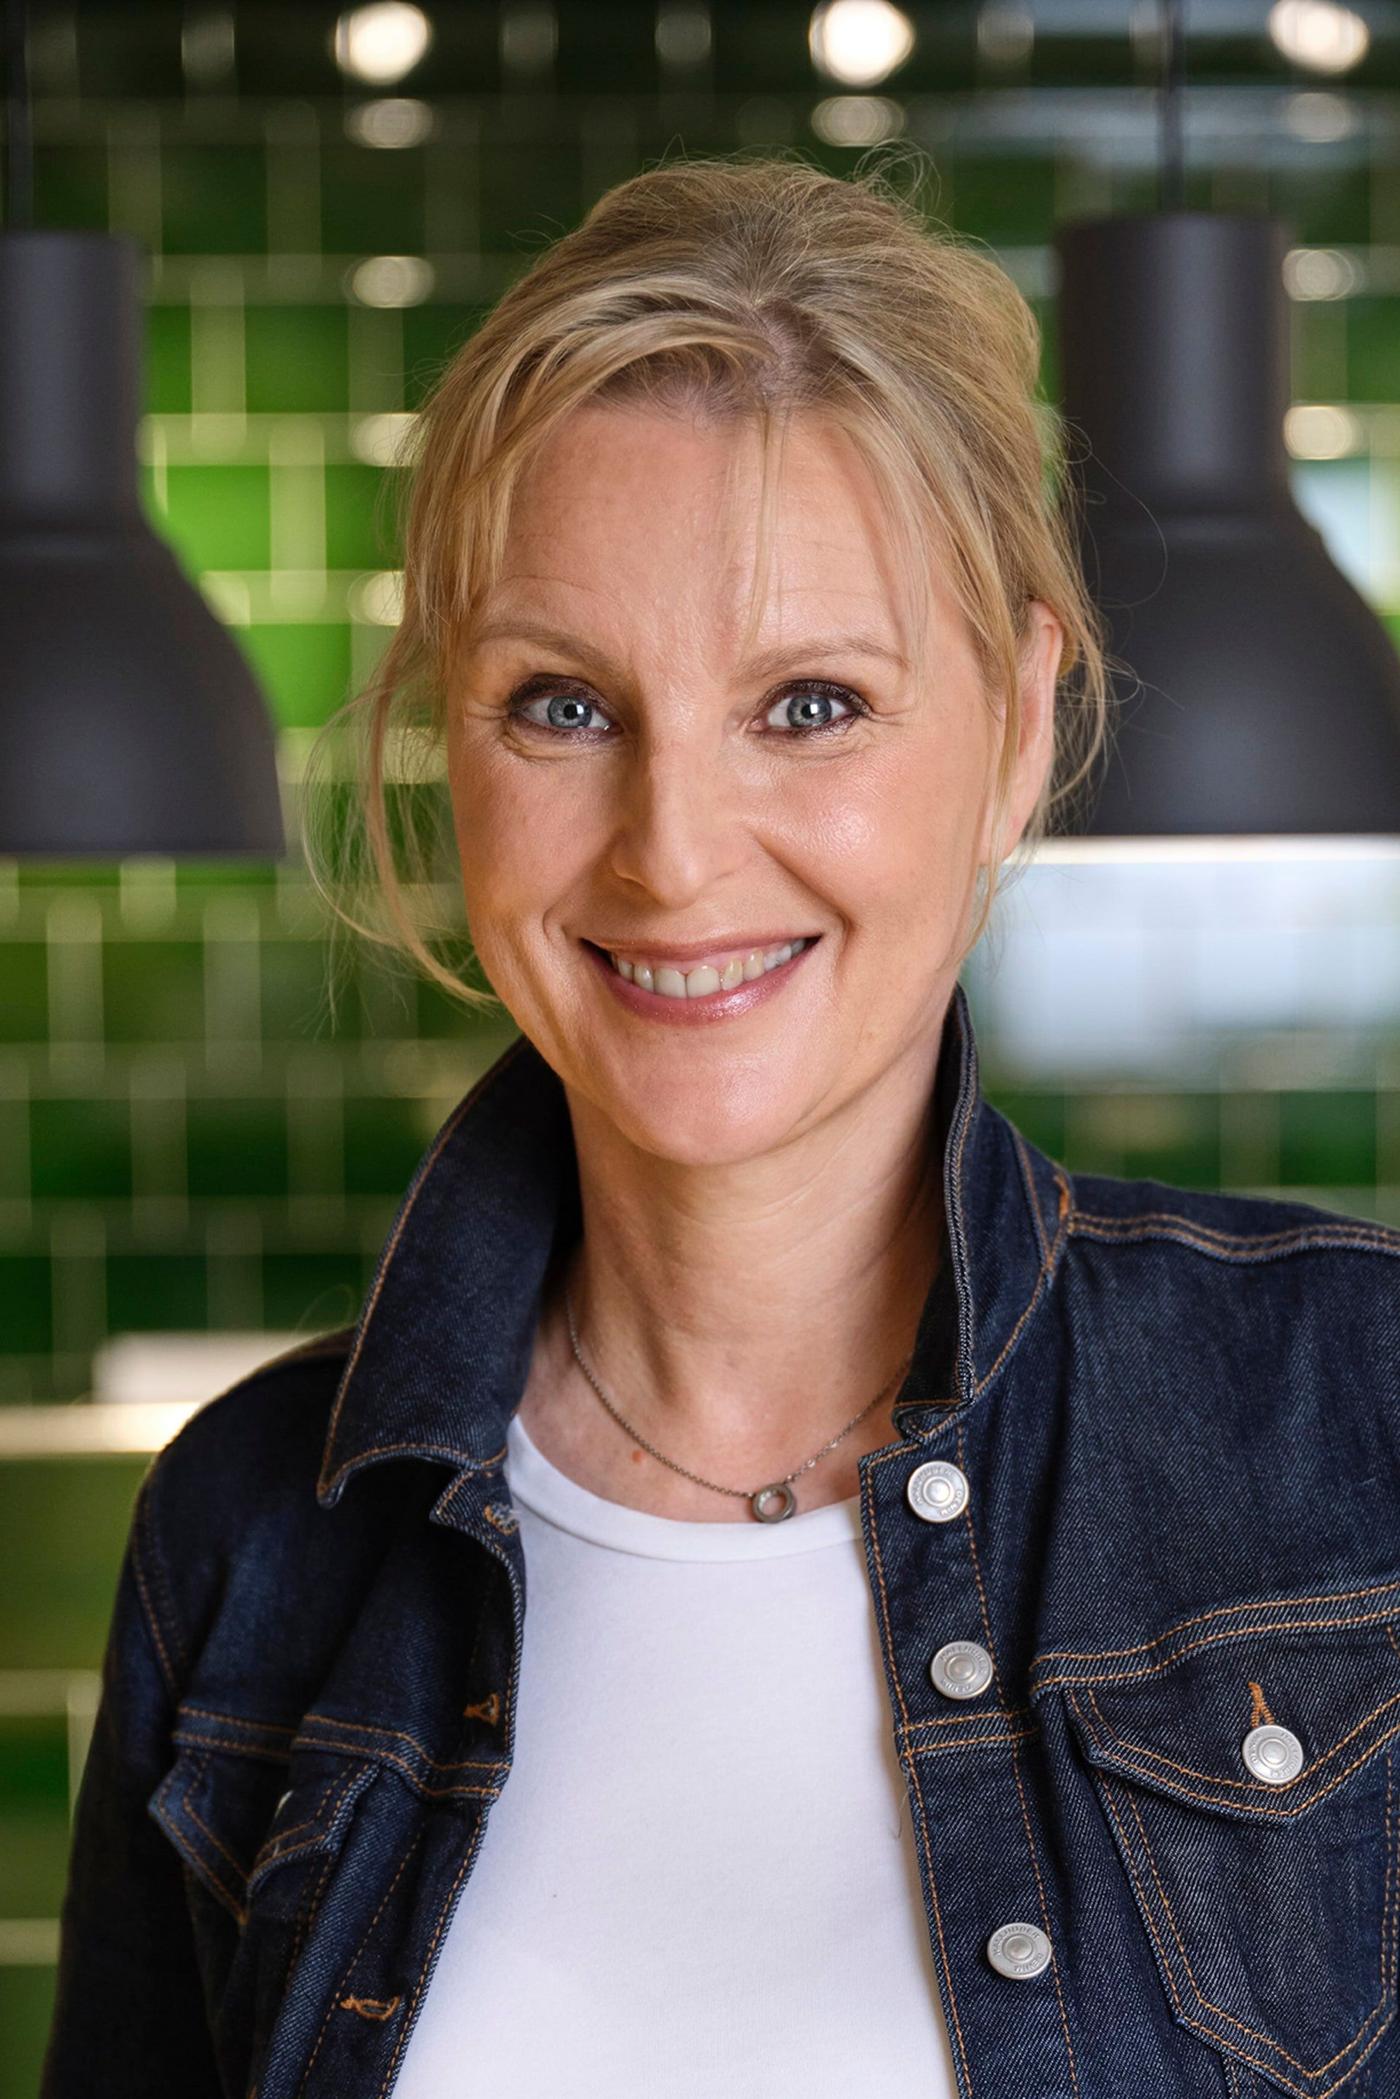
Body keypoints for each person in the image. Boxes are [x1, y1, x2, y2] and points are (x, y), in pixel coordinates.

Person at [41, 151, 1400, 2099]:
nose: (672, 856)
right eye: (565, 709)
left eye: (813, 704)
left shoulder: (1353, 1414)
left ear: (1016, 734)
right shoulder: (254, 1535)